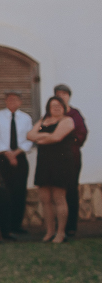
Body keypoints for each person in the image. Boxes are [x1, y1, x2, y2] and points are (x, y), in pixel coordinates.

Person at [28, 96, 77, 243]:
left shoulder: (67, 121)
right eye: (53, 105)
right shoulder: (43, 120)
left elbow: (56, 137)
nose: (56, 108)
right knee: (45, 199)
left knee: (59, 198)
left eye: (58, 106)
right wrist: (44, 136)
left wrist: (40, 138)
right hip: (44, 163)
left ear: (63, 107)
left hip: (60, 164)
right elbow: (29, 135)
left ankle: (60, 233)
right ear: (48, 107)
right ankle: (50, 231)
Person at [0, 91, 33, 237]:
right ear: (5, 101)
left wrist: (16, 153)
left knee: (19, 192)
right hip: (2, 158)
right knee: (4, 193)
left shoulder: (26, 118)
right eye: (9, 99)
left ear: (20, 102)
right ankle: (4, 227)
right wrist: (8, 154)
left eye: (15, 100)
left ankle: (16, 225)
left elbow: (29, 139)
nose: (12, 102)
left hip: (19, 157)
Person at [54, 84, 87, 237]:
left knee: (71, 191)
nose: (62, 96)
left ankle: (71, 227)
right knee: (57, 192)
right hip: (55, 159)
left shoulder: (74, 114)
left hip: (71, 158)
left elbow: (81, 133)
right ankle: (58, 226)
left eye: (64, 94)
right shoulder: (52, 113)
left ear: (69, 96)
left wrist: (66, 142)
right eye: (59, 94)